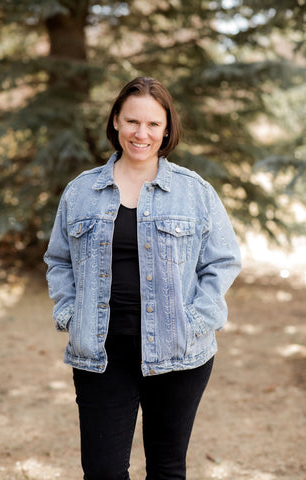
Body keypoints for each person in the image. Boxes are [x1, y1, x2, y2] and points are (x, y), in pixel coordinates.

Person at [44, 76, 241, 480]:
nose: (141, 133)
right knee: (102, 471)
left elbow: (223, 261)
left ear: (166, 129)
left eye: (153, 124)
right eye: (133, 121)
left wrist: (197, 321)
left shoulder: (195, 192)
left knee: (167, 469)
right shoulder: (80, 192)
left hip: (179, 353)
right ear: (116, 120)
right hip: (101, 355)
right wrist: (68, 313)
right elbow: (58, 260)